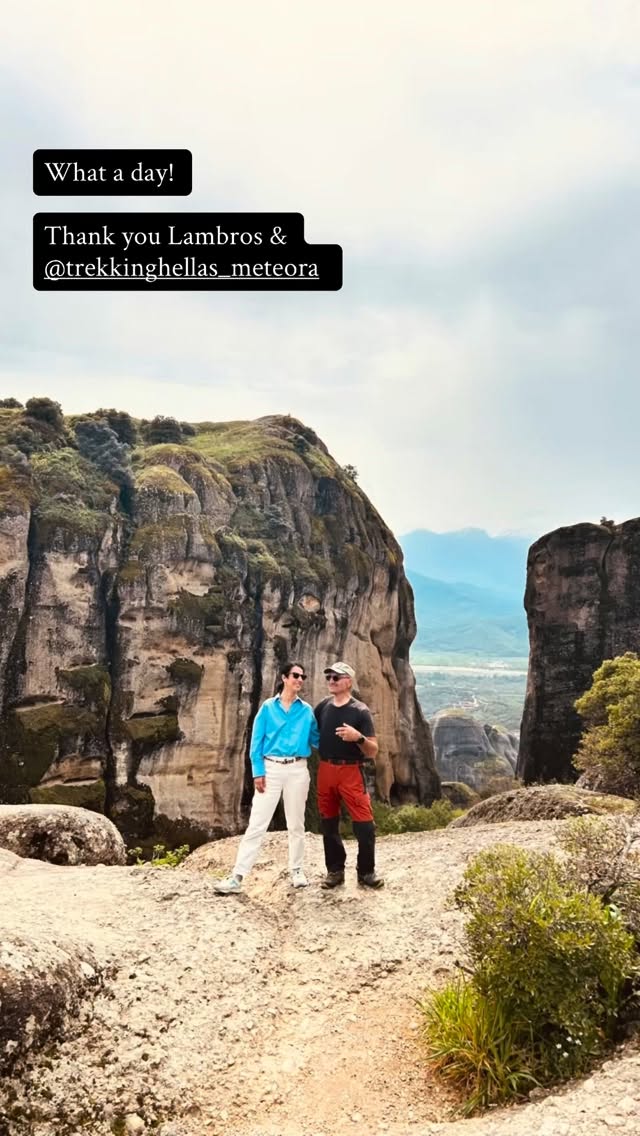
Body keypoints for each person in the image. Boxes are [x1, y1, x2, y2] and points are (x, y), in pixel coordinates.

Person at [213, 662, 319, 894]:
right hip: (271, 769)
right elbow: (256, 743)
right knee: (257, 824)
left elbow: (316, 739)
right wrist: (258, 773)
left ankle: (297, 870)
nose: (300, 680)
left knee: (296, 822)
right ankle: (237, 877)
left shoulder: (306, 711)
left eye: (303, 676)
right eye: (295, 675)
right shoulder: (267, 708)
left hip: (298, 770)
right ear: (284, 677)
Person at [314, 662, 384, 889]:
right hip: (325, 769)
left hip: (351, 771)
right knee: (328, 822)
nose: (331, 681)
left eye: (337, 677)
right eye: (329, 677)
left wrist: (358, 738)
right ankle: (335, 870)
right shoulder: (323, 707)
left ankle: (366, 872)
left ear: (349, 682)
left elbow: (373, 750)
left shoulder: (360, 711)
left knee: (364, 824)